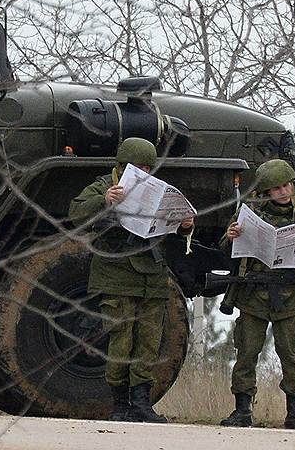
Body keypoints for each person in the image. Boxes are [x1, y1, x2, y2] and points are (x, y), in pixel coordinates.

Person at [68, 138, 194, 423]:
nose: (143, 172)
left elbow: (173, 229)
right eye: (137, 167)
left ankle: (141, 405)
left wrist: (185, 225)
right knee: (121, 341)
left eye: (148, 168)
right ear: (122, 166)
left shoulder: (157, 192)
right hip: (115, 274)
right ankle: (120, 405)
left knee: (148, 343)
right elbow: (76, 212)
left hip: (152, 276)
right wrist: (105, 201)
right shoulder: (104, 186)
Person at [219, 159, 295, 430]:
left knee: (292, 353)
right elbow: (226, 251)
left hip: (294, 294)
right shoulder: (248, 212)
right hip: (254, 292)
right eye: (276, 189)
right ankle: (242, 411)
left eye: (287, 186)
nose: (283, 192)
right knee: (247, 352)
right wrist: (232, 236)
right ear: (265, 193)